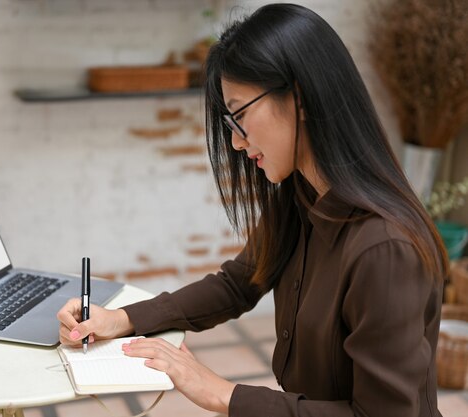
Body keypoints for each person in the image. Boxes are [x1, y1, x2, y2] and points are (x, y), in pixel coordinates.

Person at [57, 4, 448, 416]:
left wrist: (222, 394)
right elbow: (239, 283)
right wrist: (119, 319)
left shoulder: (384, 251)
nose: (238, 143)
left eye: (241, 115)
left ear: (298, 96)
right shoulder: (302, 194)